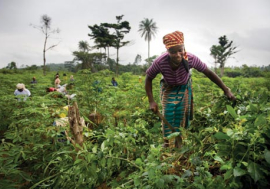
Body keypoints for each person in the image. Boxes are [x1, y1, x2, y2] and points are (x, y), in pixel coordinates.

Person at [145, 31, 236, 148]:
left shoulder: (191, 59)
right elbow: (148, 78)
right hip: (168, 87)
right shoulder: (160, 62)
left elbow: (208, 72)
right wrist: (151, 101)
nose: (177, 54)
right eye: (173, 51)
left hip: (184, 87)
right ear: (168, 51)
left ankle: (180, 141)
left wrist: (226, 90)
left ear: (184, 48)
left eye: (180, 50)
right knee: (168, 113)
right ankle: (167, 143)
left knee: (181, 114)